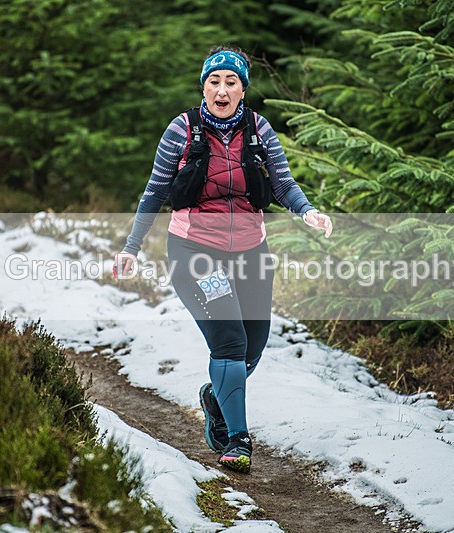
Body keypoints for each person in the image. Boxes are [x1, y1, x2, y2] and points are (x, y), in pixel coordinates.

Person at [114, 46, 332, 473]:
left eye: (231, 82)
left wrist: (307, 211)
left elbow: (283, 184)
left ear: (243, 89)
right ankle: (238, 439)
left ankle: (216, 397)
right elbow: (155, 192)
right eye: (214, 81)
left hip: (251, 251)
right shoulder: (182, 130)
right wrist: (131, 247)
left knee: (254, 343)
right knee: (230, 341)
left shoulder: (260, 130)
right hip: (195, 253)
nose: (222, 89)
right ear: (204, 86)